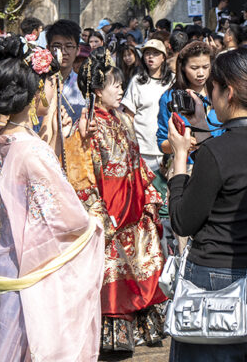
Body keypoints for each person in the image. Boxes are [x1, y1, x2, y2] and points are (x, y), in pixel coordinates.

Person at [0, 36, 104, 362]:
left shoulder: (2, 139)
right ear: (36, 91)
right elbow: (65, 220)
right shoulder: (31, 150)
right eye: (51, 84)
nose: (55, 90)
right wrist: (94, 222)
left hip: (5, 264)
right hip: (27, 276)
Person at [167, 47, 247, 362]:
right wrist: (203, 130)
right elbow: (235, 168)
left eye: (213, 87)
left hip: (211, 281)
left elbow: (182, 221)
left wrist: (181, 156)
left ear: (229, 92)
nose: (210, 96)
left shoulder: (215, 154)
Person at [75, 49, 166, 354]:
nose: (119, 90)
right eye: (112, 85)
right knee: (112, 273)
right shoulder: (88, 127)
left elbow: (136, 161)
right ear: (96, 91)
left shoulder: (121, 120)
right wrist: (98, 212)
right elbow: (83, 174)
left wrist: (150, 194)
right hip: (110, 211)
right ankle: (111, 335)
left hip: (134, 205)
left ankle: (141, 327)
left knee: (141, 266)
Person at [157, 40, 222, 155]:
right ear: (182, 68)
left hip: (219, 161)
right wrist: (180, 144)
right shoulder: (169, 98)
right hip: (185, 165)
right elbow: (162, 143)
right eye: (194, 68)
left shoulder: (221, 92)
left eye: (205, 67)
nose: (201, 73)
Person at [122, 38, 173, 173]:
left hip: (168, 148)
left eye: (155, 53)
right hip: (142, 149)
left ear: (163, 57)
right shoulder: (137, 81)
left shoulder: (173, 81)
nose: (151, 57)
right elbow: (128, 116)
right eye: (147, 53)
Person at [46, 20, 86, 123]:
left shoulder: (83, 86)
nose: (63, 52)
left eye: (68, 46)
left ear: (77, 50)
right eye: (57, 46)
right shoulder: (38, 83)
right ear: (48, 48)